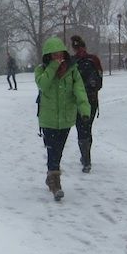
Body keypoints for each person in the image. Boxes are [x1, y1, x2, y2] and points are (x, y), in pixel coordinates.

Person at [34, 37, 90, 201]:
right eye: (54, 55)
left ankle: (51, 176)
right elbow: (42, 85)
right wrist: (53, 67)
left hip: (66, 119)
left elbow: (79, 90)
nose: (58, 57)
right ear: (48, 56)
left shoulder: (72, 71)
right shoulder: (40, 70)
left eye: (60, 54)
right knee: (53, 150)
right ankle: (55, 184)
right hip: (48, 119)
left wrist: (85, 109)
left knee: (58, 150)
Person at [69, 35, 103, 172]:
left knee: (81, 128)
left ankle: (86, 159)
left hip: (78, 100)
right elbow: (100, 82)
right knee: (87, 127)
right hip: (92, 100)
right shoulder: (94, 60)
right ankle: (86, 156)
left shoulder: (72, 61)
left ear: (73, 47)